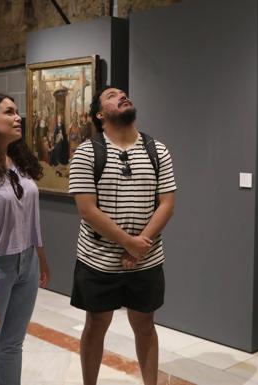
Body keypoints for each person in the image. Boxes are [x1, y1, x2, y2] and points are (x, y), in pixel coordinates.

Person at [68, 86, 176, 385]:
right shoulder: (87, 152)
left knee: (145, 322)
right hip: (98, 258)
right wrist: (129, 243)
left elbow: (166, 204)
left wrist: (139, 246)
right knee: (97, 323)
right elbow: (87, 210)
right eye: (112, 95)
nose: (122, 96)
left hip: (147, 258)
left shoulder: (158, 150)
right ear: (100, 114)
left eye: (123, 93)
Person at [0, 94, 50, 385]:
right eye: (9, 112)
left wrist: (39, 257)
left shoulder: (20, 161)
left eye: (18, 112)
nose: (18, 118)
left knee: (13, 344)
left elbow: (31, 216)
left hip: (26, 262)